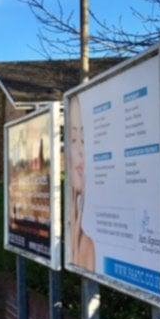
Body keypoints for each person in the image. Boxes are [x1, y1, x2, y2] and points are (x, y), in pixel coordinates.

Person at [68, 94, 96, 271]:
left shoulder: (88, 245)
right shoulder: (73, 236)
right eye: (73, 139)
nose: (80, 151)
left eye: (84, 140)